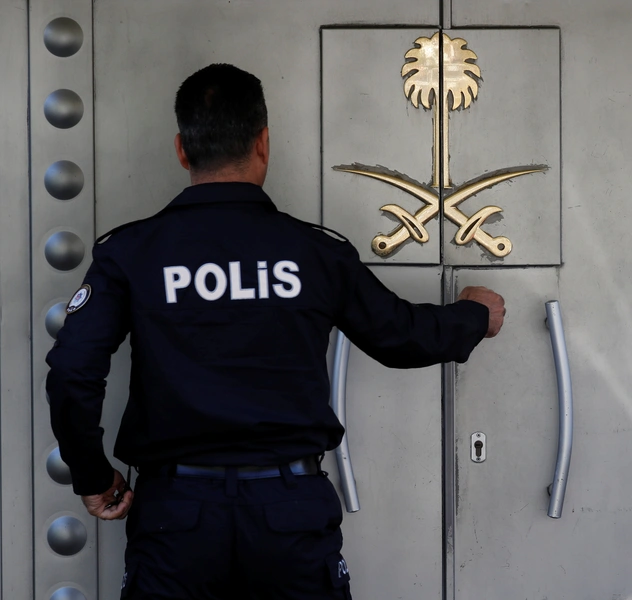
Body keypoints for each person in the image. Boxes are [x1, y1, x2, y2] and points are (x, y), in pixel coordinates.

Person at [46, 63, 505, 600]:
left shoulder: (129, 253)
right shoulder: (316, 253)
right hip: (289, 513)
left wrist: (93, 476)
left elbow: (72, 372)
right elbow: (401, 335)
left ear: (182, 149)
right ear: (263, 142)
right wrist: (475, 313)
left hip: (176, 516)